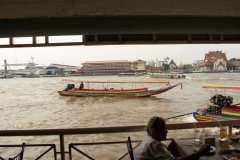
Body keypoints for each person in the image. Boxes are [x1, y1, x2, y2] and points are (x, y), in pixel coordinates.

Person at [134, 116, 211, 160]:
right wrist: (200, 153)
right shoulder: (154, 144)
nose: (166, 131)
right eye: (164, 128)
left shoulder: (147, 139)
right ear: (155, 131)